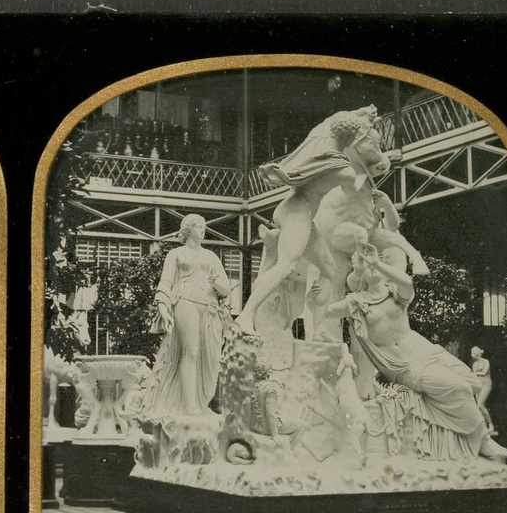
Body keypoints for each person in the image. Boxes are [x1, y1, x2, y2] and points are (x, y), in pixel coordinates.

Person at [319, 246, 507, 461]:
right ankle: (483, 440)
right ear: (360, 274)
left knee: (474, 384)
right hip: (407, 366)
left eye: (378, 267)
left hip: (429, 351)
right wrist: (315, 297)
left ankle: (461, 430)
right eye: (366, 267)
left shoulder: (395, 293)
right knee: (461, 388)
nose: (373, 270)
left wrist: (376, 262)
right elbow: (324, 310)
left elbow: (408, 282)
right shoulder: (356, 303)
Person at [237, 106, 400, 334]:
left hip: (295, 211)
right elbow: (355, 189)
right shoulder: (344, 170)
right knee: (286, 265)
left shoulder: (319, 135)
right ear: (352, 139)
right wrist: (375, 170)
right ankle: (246, 315)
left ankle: (321, 329)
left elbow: (334, 119)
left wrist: (362, 112)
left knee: (330, 270)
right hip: (298, 216)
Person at [141, 214, 232, 417]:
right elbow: (165, 283)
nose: (203, 229)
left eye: (204, 226)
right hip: (185, 303)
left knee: (209, 357)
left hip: (209, 308)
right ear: (188, 229)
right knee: (191, 352)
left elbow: (226, 289)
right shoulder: (176, 254)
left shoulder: (211, 256)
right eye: (198, 226)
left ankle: (202, 403)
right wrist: (164, 309)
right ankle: (189, 405)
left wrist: (216, 283)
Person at [471, 346, 494, 429]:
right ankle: (483, 426)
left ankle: (491, 424)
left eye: (472, 353)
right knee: (479, 406)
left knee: (480, 405)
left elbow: (484, 372)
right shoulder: (474, 364)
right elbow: (474, 374)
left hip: (486, 385)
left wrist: (476, 373)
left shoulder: (486, 361)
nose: (471, 355)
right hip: (479, 385)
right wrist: (475, 373)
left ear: (477, 354)